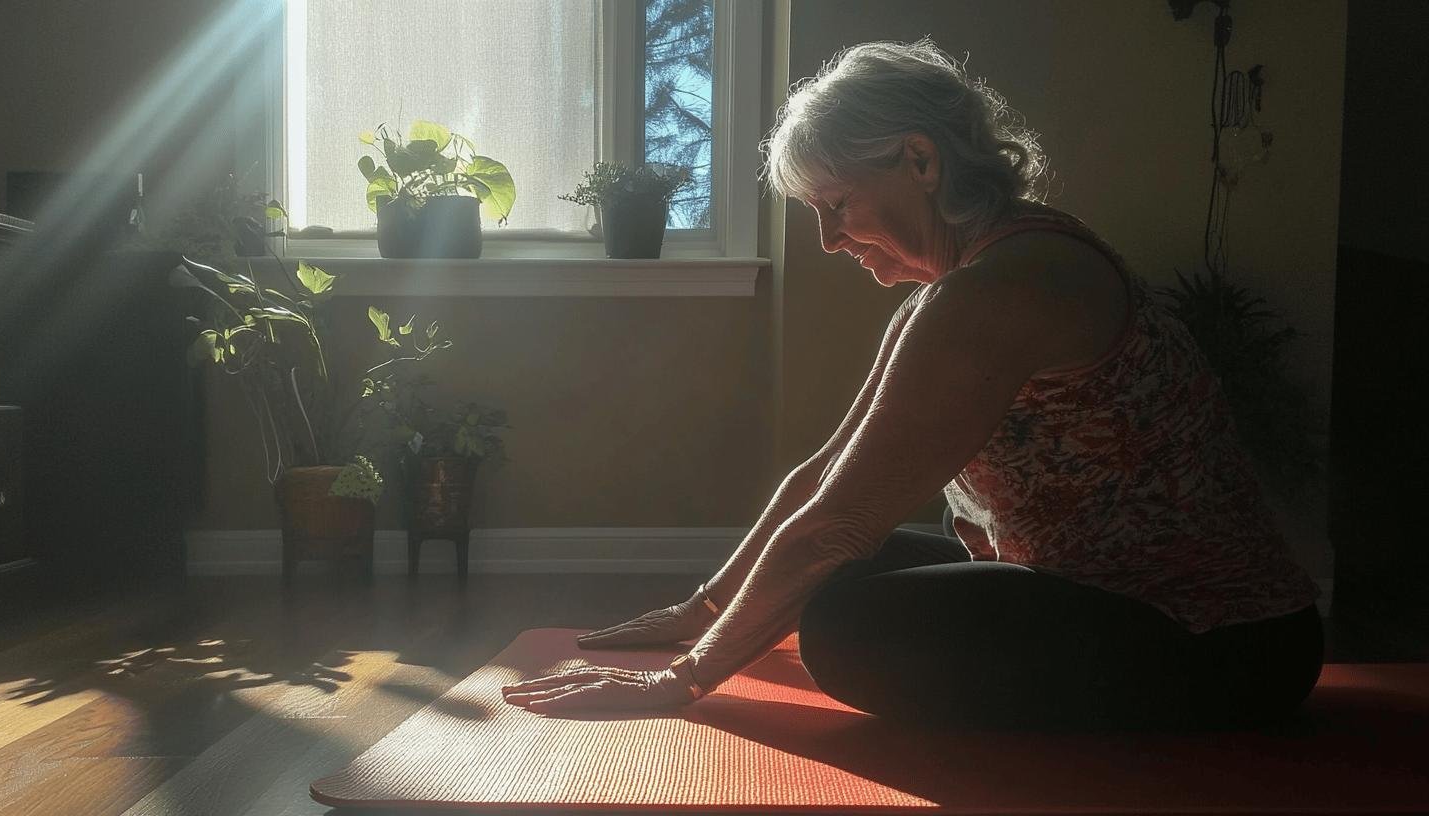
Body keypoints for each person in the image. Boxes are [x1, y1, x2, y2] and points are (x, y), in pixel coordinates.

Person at [501, 39, 1323, 731]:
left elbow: (839, 521)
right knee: (844, 578)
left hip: (1218, 643)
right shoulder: (963, 280)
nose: (827, 240)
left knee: (847, 627)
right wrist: (703, 610)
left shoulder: (1002, 289)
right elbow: (824, 474)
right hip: (1090, 589)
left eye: (837, 204)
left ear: (920, 160)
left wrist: (678, 683)